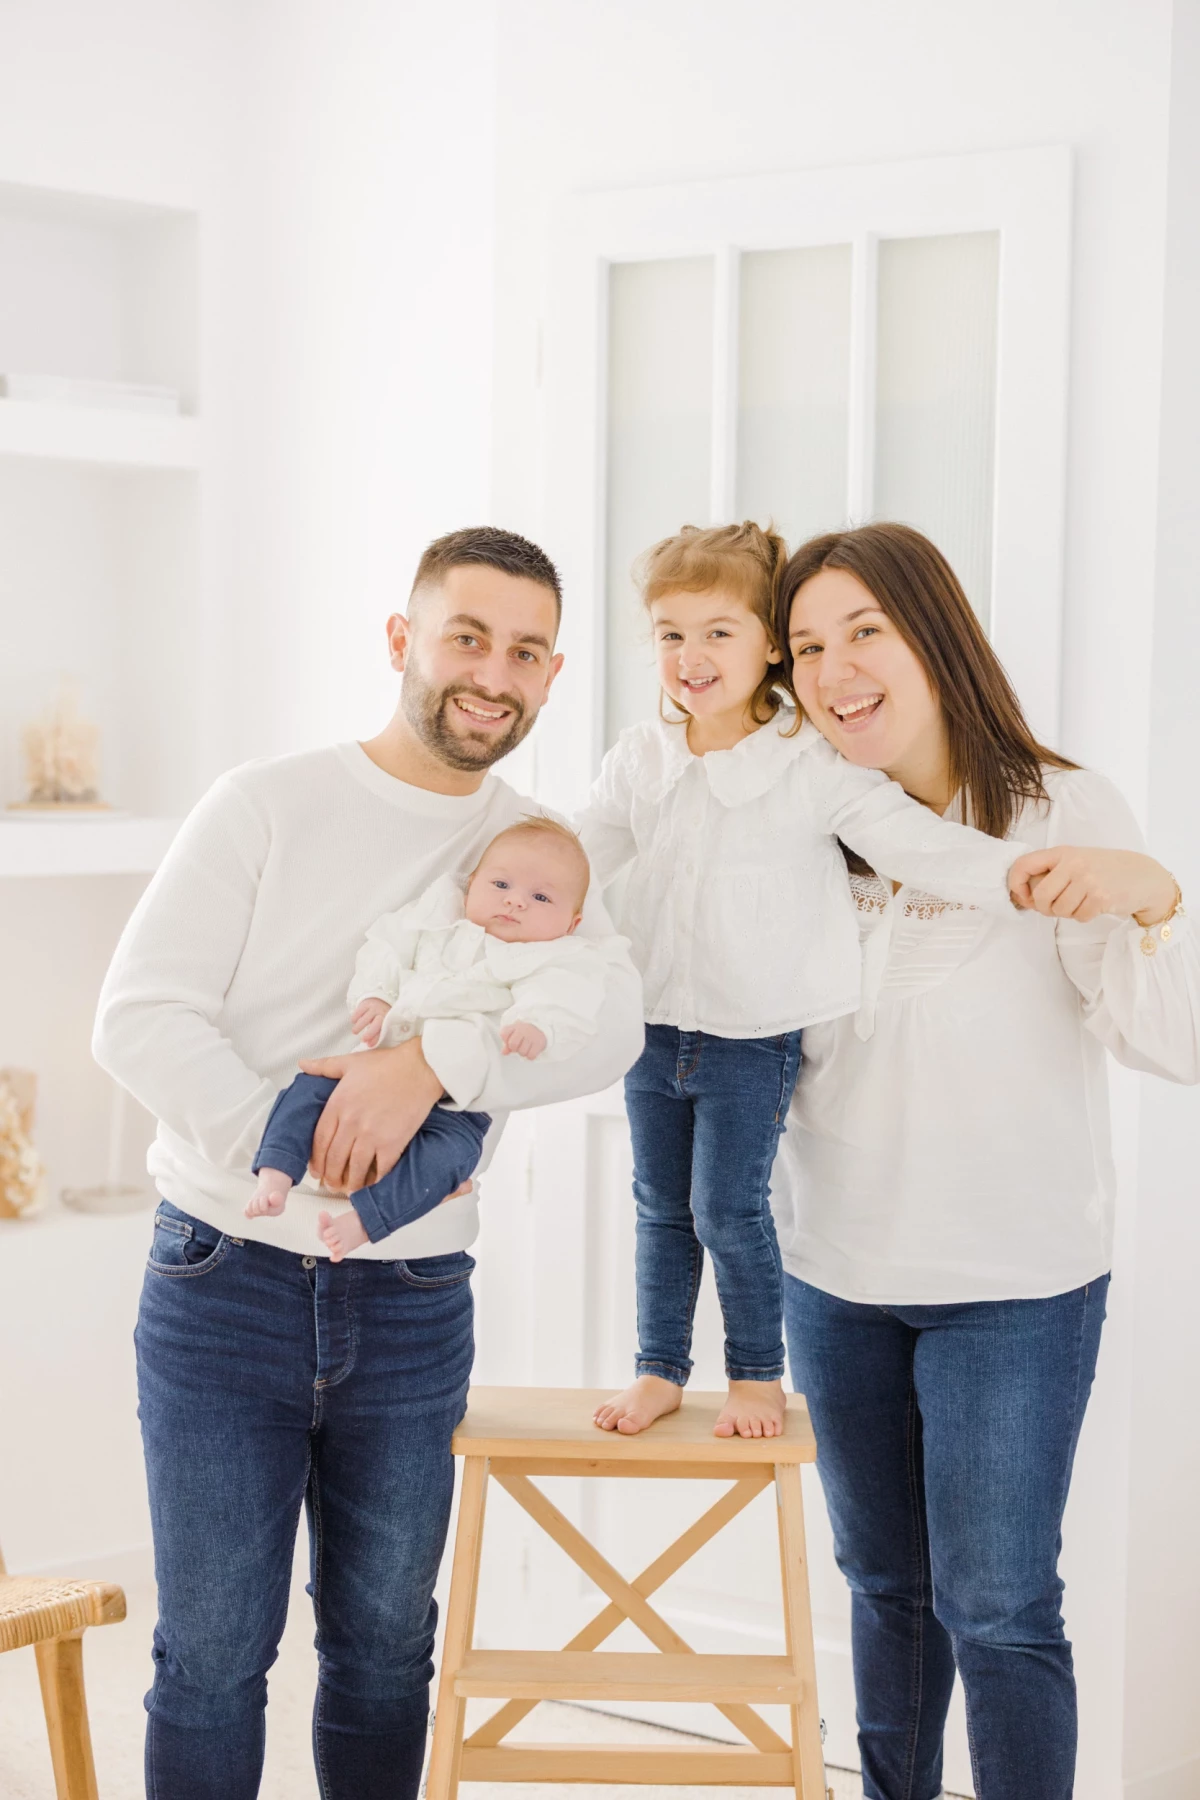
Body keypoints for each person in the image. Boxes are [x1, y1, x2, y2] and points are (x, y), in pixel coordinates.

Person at [92, 527, 643, 1800]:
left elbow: (608, 1025)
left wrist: (431, 1064)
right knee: (211, 1657)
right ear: (403, 639)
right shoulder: (267, 803)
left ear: (553, 674)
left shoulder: (540, 848)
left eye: (525, 652)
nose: (493, 674)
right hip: (222, 1275)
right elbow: (138, 1015)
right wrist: (298, 1152)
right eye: (467, 637)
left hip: (410, 1297)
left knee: (389, 1653)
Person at [771, 522, 1200, 1800]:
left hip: (1014, 1285)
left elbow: (1170, 1041)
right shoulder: (798, 820)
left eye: (865, 632)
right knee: (885, 1590)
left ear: (935, 636)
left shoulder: (1063, 810)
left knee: (1000, 1607)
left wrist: (1155, 898)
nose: (835, 671)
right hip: (834, 1272)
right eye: (805, 647)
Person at [580, 521, 1040, 1444]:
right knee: (660, 1209)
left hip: (754, 1034)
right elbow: (578, 859)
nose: (691, 656)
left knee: (727, 1210)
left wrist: (1022, 874)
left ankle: (755, 1374)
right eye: (671, 634)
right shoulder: (641, 758)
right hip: (653, 1024)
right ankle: (659, 1367)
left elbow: (913, 842)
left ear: (769, 647)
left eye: (718, 632)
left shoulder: (808, 762)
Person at [248, 816, 614, 1261]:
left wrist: (537, 1025)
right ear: (472, 885)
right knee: (306, 1088)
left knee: (451, 1159)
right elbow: (387, 947)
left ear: (572, 923)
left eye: (541, 897)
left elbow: (564, 998)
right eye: (501, 884)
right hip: (369, 1066)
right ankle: (275, 1174)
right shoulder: (436, 918)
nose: (515, 901)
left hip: (457, 1106)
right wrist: (376, 995)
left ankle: (364, 1221)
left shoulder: (555, 959)